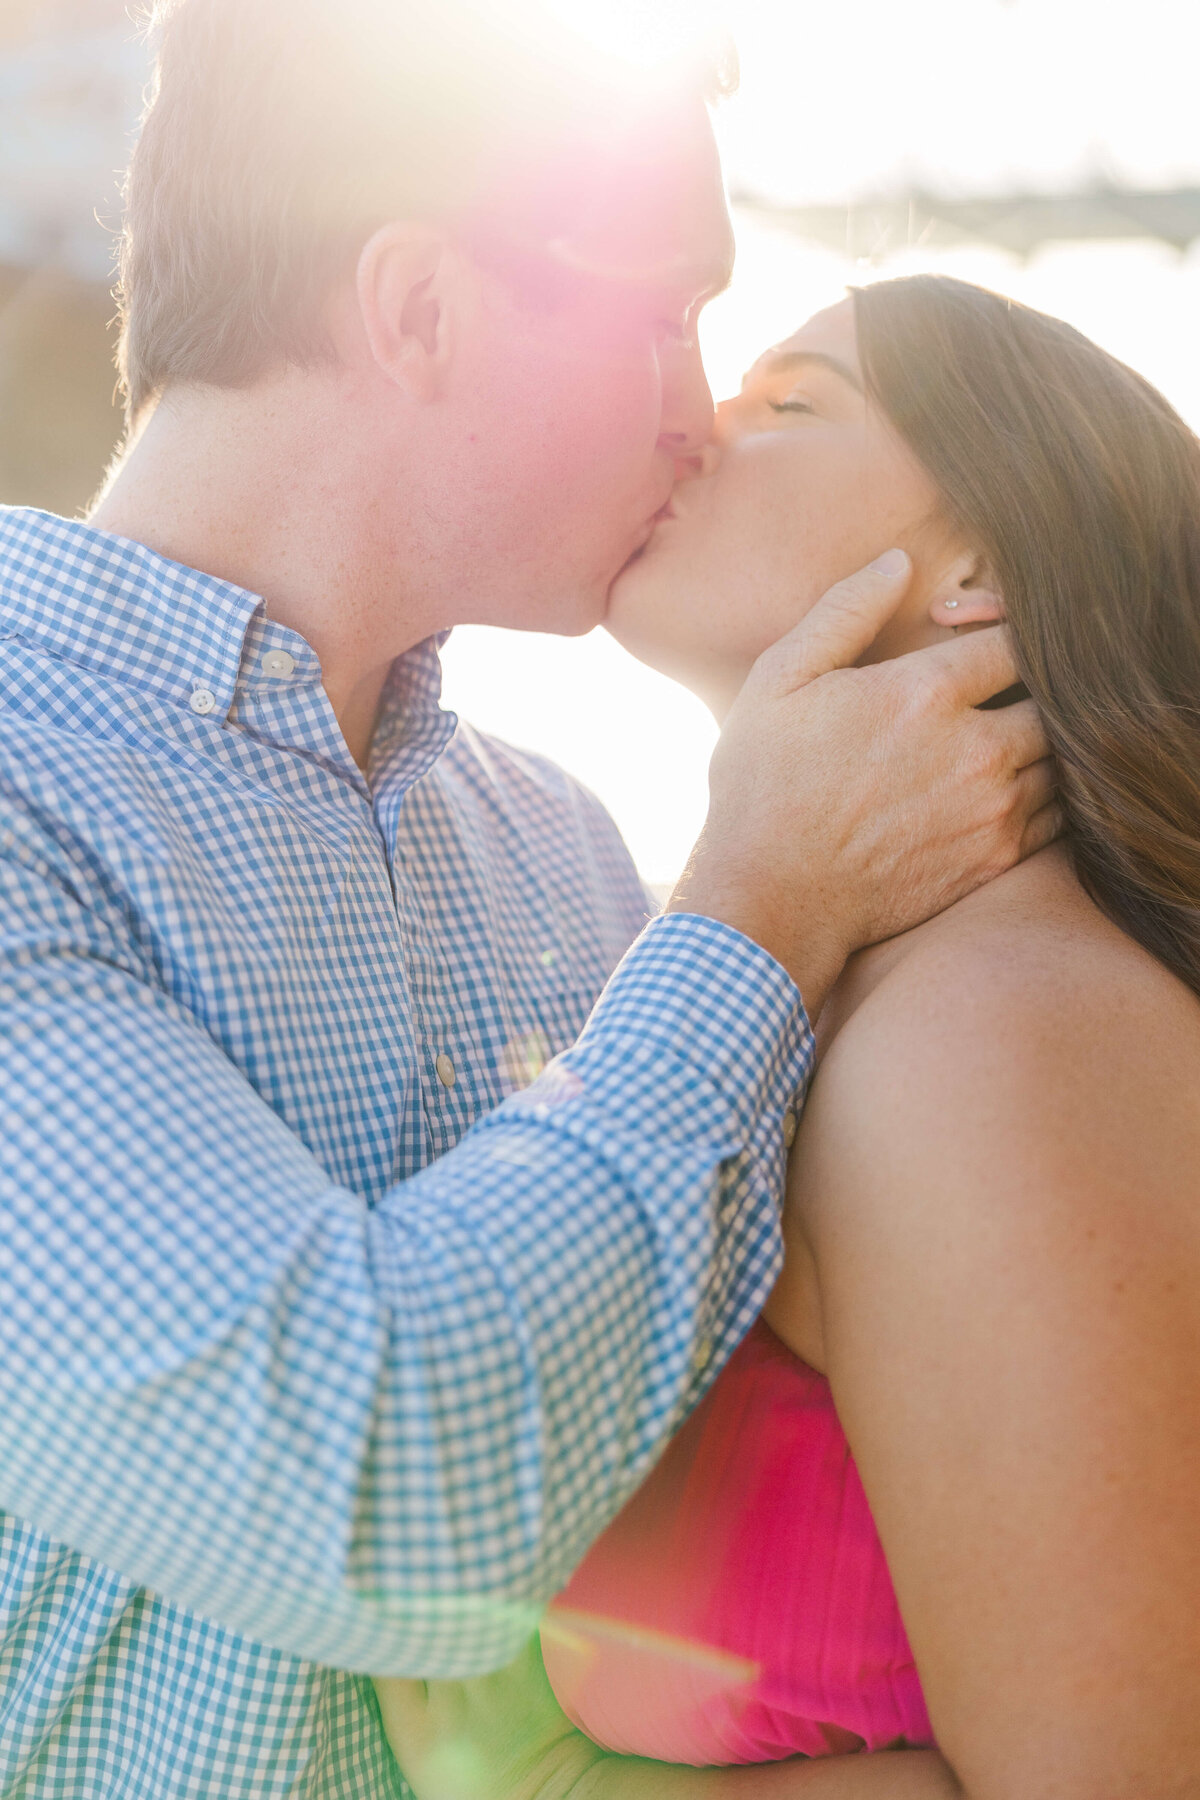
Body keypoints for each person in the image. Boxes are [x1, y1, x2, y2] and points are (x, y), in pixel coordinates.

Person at [0, 0, 1055, 1788]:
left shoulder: (560, 846)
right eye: (664, 310)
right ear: (417, 309)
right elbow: (384, 1493)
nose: (695, 405)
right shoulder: (28, 792)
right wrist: (762, 910)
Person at [379, 277, 1200, 1800]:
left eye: (793, 401)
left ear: (977, 565)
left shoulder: (990, 1033)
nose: (694, 424)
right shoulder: (813, 1002)